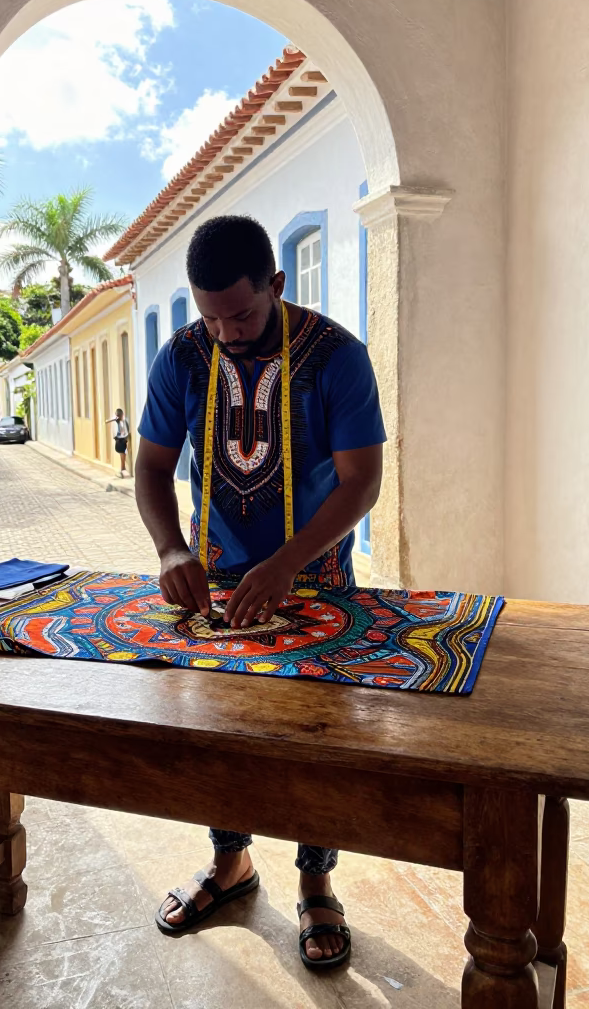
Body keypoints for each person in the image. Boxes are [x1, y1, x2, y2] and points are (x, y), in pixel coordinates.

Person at [135, 214, 385, 969]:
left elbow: (361, 482)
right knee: (220, 731)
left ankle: (316, 883)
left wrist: (285, 563)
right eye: (210, 318)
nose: (226, 333)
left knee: (314, 740)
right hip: (213, 586)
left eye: (240, 314)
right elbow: (152, 468)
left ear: (275, 284)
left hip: (317, 581)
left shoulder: (336, 356)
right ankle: (230, 864)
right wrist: (171, 547)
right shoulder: (184, 356)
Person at [106, 408, 130, 476]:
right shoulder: (117, 421)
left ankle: (122, 469)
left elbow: (126, 431)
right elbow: (107, 421)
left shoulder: (123, 422)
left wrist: (125, 438)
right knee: (122, 455)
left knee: (122, 455)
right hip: (119, 440)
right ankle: (122, 468)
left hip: (122, 440)